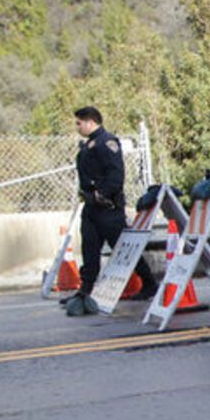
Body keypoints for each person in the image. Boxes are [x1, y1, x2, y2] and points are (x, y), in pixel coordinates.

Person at [65, 106, 157, 311]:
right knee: (90, 249)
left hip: (108, 209)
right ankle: (85, 291)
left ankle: (149, 283)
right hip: (91, 207)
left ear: (90, 122)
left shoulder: (106, 142)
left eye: (79, 123)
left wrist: (101, 195)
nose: (77, 127)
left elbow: (116, 176)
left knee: (123, 249)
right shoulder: (90, 144)